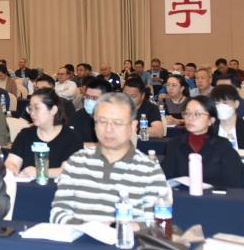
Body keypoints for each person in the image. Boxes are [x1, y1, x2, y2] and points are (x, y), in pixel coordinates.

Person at [50, 92, 170, 224]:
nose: (108, 129)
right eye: (102, 121)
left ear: (133, 126)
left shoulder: (150, 170)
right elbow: (58, 213)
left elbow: (157, 223)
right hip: (80, 235)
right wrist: (90, 228)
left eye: (117, 123)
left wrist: (115, 227)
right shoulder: (76, 162)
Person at [160, 95, 244, 190]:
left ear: (211, 120)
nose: (190, 118)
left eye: (197, 114)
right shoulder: (174, 144)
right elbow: (165, 180)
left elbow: (234, 184)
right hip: (182, 197)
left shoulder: (223, 146)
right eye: (187, 113)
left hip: (214, 198)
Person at [4, 89, 83, 179]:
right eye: (30, 109)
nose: (32, 113)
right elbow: (12, 161)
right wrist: (11, 168)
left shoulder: (71, 137)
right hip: (27, 186)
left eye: (37, 108)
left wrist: (40, 172)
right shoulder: (25, 135)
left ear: (53, 110)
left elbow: (69, 170)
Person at [211, 84, 244, 151]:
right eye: (216, 103)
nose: (220, 107)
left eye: (225, 103)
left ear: (236, 104)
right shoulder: (209, 130)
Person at [67, 75, 108, 142]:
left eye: (94, 98)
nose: (89, 101)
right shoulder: (76, 116)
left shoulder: (114, 120)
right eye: (87, 97)